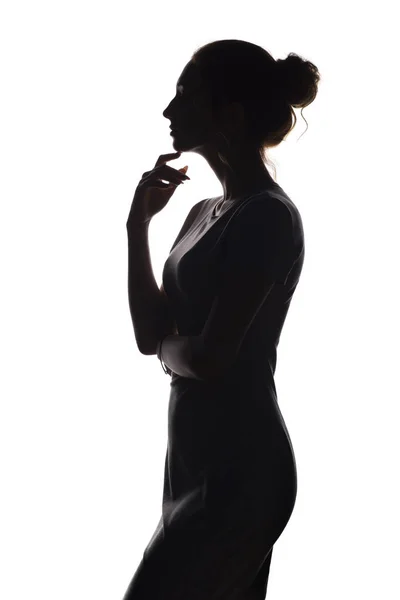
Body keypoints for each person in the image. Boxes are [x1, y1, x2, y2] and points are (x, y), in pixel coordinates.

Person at [123, 38, 320, 600]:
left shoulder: (269, 218)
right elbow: (148, 334)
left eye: (185, 93)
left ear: (228, 113)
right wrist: (137, 227)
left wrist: (170, 348)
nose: (168, 110)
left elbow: (210, 357)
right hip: (190, 464)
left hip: (241, 472)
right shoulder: (200, 212)